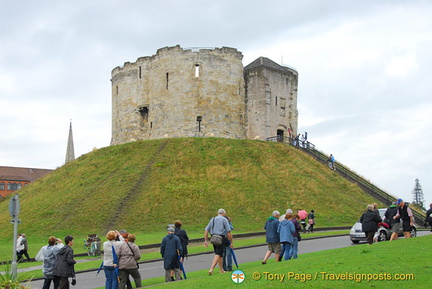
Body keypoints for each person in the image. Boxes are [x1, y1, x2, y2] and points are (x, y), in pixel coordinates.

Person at [204, 208, 233, 275]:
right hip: (220, 238)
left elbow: (206, 230)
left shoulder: (213, 219)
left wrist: (206, 240)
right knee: (218, 254)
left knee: (220, 254)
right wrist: (231, 241)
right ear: (224, 214)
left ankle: (221, 270)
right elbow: (228, 232)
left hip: (213, 237)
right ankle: (211, 269)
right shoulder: (224, 220)